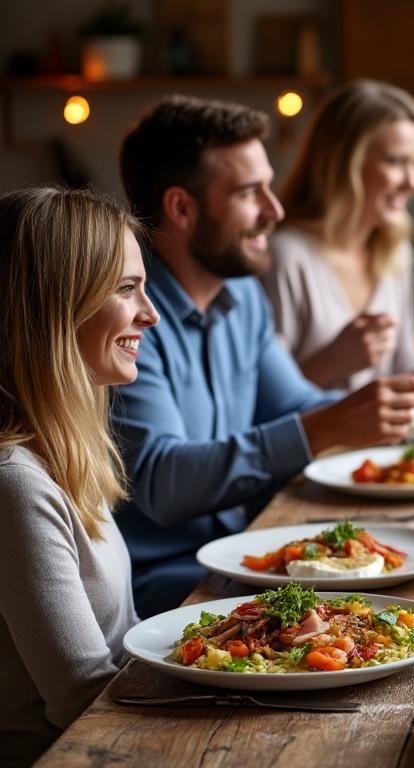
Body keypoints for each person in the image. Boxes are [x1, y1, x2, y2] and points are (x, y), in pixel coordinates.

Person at [115, 96, 414, 616]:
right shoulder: (129, 317)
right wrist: (323, 426)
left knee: (409, 574)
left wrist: (376, 411)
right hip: (167, 583)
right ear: (182, 208)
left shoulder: (240, 300)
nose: (275, 209)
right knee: (394, 610)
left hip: (242, 551)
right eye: (248, 192)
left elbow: (296, 403)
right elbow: (161, 482)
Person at [0, 187, 159, 764]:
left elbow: (127, 637)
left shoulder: (63, 453)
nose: (151, 313)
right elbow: (83, 700)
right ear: (56, 304)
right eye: (126, 288)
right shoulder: (15, 482)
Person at [264, 79, 414, 390]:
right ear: (343, 163)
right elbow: (261, 404)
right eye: (396, 161)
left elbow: (408, 366)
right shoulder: (285, 257)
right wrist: (330, 363)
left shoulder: (393, 247)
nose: (413, 182)